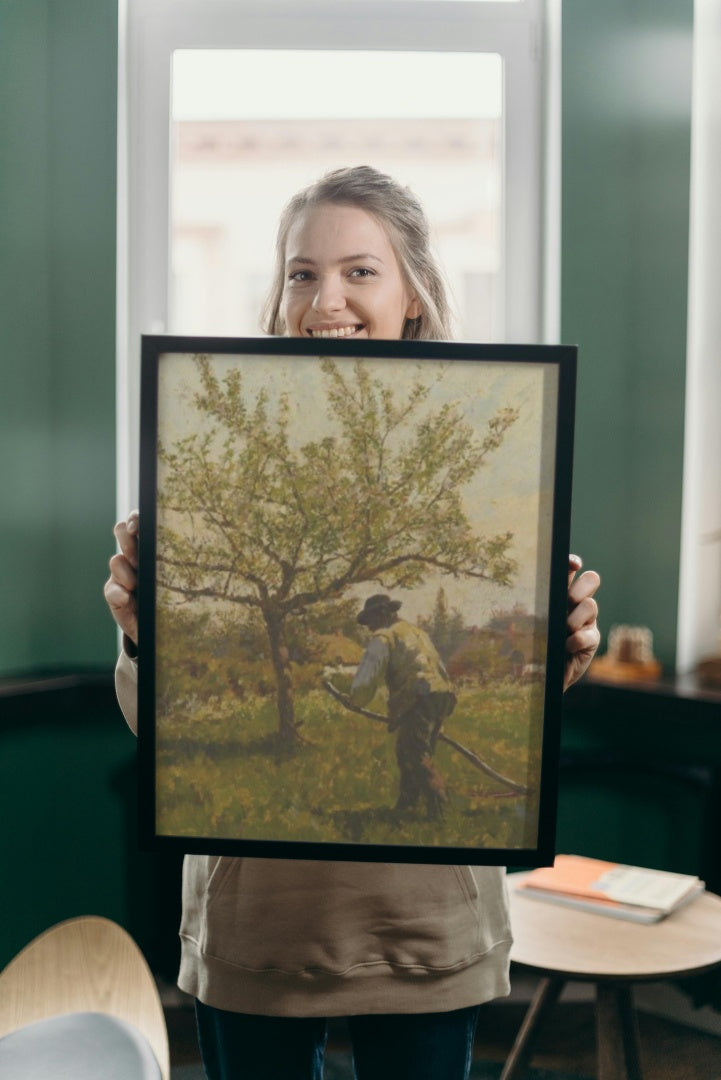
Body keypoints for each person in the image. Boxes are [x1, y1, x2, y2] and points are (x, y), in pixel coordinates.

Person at [105, 166, 601, 1080]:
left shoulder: (487, 459)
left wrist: (557, 651)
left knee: (414, 764)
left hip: (424, 924)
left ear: (412, 292)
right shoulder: (215, 459)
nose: (324, 298)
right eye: (301, 272)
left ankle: (418, 799)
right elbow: (157, 727)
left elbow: (519, 695)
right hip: (258, 925)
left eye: (359, 271)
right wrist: (146, 637)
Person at [348, 593, 456, 819]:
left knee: (416, 754)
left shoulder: (384, 637)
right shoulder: (417, 632)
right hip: (442, 695)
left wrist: (356, 699)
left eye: (371, 620)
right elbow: (438, 666)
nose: (369, 627)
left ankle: (440, 810)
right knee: (407, 750)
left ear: (383, 614)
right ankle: (407, 805)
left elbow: (368, 677)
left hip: (418, 697)